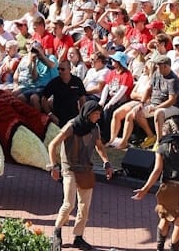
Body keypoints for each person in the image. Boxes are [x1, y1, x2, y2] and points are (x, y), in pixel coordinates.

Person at [48, 100, 110, 251]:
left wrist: (107, 162)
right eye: (95, 114)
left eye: (99, 114)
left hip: (86, 171)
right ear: (88, 114)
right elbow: (52, 145)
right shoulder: (72, 126)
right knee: (69, 204)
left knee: (85, 207)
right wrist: (54, 166)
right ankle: (56, 232)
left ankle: (78, 237)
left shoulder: (94, 128)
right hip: (69, 169)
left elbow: (99, 146)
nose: (98, 117)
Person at [133, 120, 179, 251]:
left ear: (165, 132)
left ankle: (160, 247)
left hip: (168, 187)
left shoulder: (162, 147)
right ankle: (174, 249)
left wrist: (145, 189)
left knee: (165, 218)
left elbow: (157, 170)